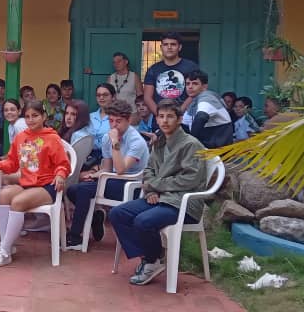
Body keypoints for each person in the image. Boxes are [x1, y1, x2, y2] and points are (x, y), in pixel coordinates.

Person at [109, 99, 207, 286]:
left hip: (182, 203)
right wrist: (151, 190)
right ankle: (152, 257)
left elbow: (190, 179)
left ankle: (151, 260)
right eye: (161, 116)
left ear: (179, 119)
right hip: (160, 197)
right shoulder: (159, 142)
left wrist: (156, 187)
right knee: (118, 214)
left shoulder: (190, 144)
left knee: (143, 221)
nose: (165, 121)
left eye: (170, 116)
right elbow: (148, 172)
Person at [0, 100, 70, 268]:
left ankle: (4, 250)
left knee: (17, 202)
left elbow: (63, 163)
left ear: (44, 116)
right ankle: (6, 246)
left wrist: (60, 174)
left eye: (35, 116)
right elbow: (12, 162)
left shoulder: (52, 138)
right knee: (3, 195)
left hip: (47, 186)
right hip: (26, 184)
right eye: (28, 116)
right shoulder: (21, 137)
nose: (31, 120)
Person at [65, 99, 150, 250]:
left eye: (119, 121)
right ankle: (95, 217)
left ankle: (75, 237)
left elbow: (121, 169)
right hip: (113, 180)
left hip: (133, 185)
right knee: (73, 189)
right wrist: (96, 174)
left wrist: (115, 143)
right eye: (111, 121)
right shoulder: (107, 138)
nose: (114, 125)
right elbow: (108, 168)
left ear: (128, 120)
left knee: (84, 190)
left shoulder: (136, 141)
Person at [143, 33, 199, 116]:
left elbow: (195, 92)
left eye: (173, 44)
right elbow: (147, 98)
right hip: (159, 119)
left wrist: (179, 113)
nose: (169, 47)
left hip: (184, 118)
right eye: (166, 44)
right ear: (161, 48)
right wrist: (160, 116)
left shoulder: (191, 67)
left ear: (179, 47)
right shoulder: (153, 69)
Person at [182, 70, 233, 149]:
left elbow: (201, 117)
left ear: (204, 87)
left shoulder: (207, 97)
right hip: (208, 148)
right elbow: (181, 124)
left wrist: (191, 141)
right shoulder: (193, 103)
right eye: (188, 84)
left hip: (218, 151)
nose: (190, 87)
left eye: (195, 83)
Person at [86, 83, 116, 159]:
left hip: (110, 157)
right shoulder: (90, 117)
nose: (101, 97)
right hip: (88, 156)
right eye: (98, 95)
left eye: (105, 95)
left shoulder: (117, 119)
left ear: (113, 97)